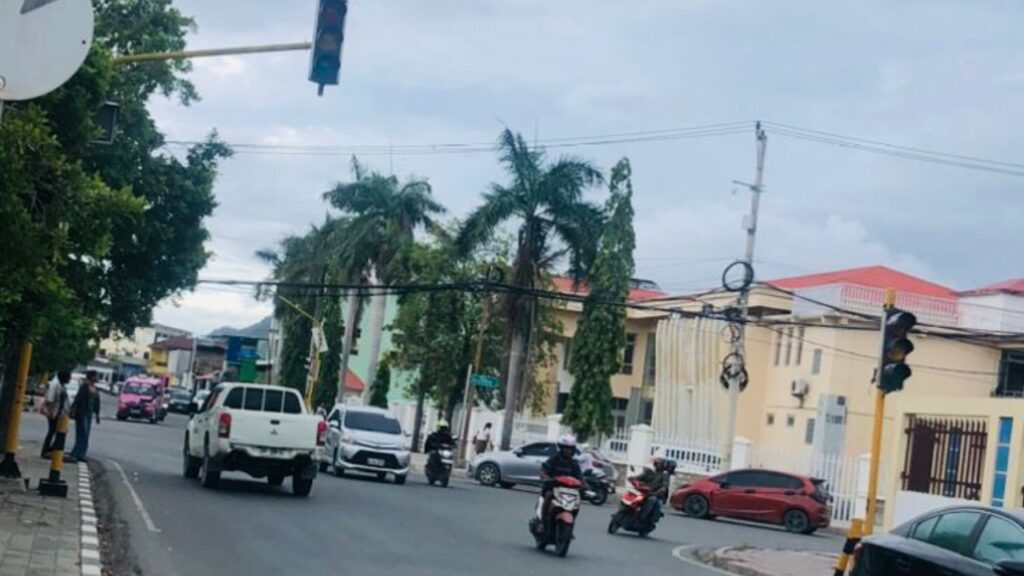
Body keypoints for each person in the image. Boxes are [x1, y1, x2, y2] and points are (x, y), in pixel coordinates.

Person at [536, 434, 583, 532]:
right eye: (566, 448)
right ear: (561, 448)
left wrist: (585, 485)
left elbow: (579, 477)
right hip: (553, 488)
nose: (568, 451)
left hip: (568, 492)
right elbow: (544, 471)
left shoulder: (574, 463)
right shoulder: (554, 460)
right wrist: (546, 477)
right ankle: (543, 523)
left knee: (577, 502)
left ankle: (570, 526)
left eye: (570, 449)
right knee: (548, 496)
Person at [67, 371, 101, 463]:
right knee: (82, 433)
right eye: (96, 376)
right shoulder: (85, 387)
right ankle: (75, 453)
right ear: (91, 377)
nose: (97, 378)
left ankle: (81, 454)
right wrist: (73, 409)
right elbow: (78, 398)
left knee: (86, 434)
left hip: (89, 413)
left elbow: (97, 402)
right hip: (82, 412)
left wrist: (97, 414)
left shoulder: (95, 388)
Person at [40, 372, 71, 458]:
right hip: (54, 412)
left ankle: (51, 448)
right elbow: (50, 400)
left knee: (57, 431)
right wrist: (51, 412)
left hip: (59, 413)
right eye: (68, 378)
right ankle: (46, 450)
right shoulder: (55, 386)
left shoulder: (62, 386)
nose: (69, 380)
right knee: (52, 431)